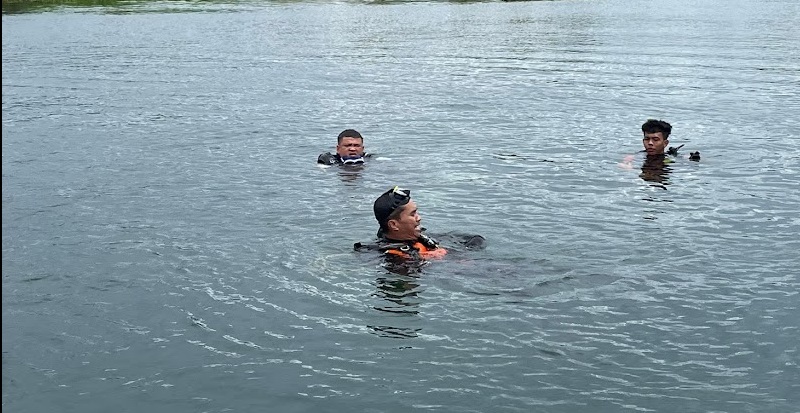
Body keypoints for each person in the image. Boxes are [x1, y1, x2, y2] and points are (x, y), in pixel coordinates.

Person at [354, 186, 485, 262]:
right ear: (394, 225)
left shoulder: (423, 238)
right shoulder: (393, 259)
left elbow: (477, 239)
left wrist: (464, 254)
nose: (419, 218)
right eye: (413, 214)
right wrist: (425, 259)